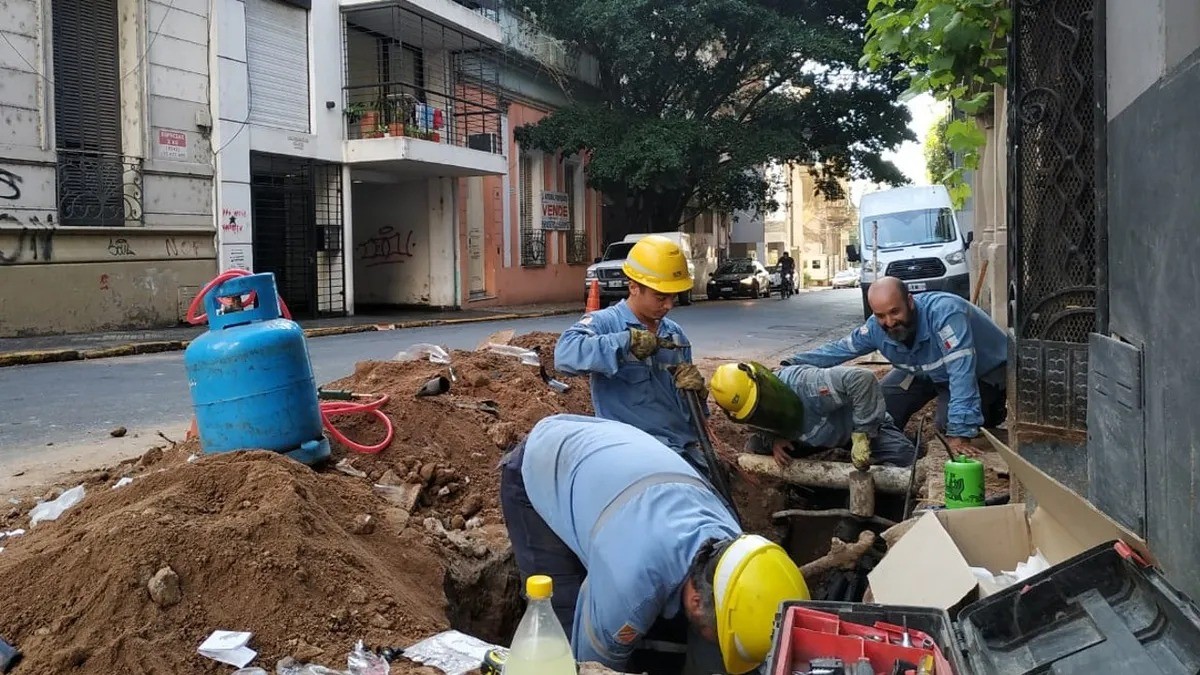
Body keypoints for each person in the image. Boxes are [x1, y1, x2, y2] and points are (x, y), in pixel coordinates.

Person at [499, 414, 811, 675]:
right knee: (562, 637)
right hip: (548, 460)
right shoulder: (632, 584)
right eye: (716, 638)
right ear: (693, 602)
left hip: (616, 459)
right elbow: (593, 667)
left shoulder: (735, 546)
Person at [782, 277, 1007, 455]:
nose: (889, 322)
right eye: (881, 315)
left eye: (895, 312)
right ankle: (898, 454)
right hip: (924, 371)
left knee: (948, 426)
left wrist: (959, 431)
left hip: (982, 373)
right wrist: (791, 363)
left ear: (910, 301)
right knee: (881, 406)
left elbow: (962, 374)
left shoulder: (945, 315)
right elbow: (839, 349)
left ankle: (990, 412)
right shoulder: (875, 328)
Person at [555, 235, 708, 471]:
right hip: (630, 455)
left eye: (672, 297)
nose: (668, 305)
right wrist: (625, 341)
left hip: (679, 452)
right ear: (633, 287)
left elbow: (692, 418)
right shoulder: (605, 324)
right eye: (660, 297)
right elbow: (565, 355)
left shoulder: (675, 337)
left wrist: (697, 395)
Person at [709, 361, 917, 470]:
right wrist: (773, 439)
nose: (763, 414)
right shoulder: (746, 412)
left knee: (907, 459)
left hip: (853, 429)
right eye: (754, 414)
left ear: (764, 384)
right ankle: (789, 491)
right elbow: (754, 427)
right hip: (807, 438)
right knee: (756, 448)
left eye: (760, 406)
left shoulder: (807, 384)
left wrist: (863, 434)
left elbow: (861, 379)